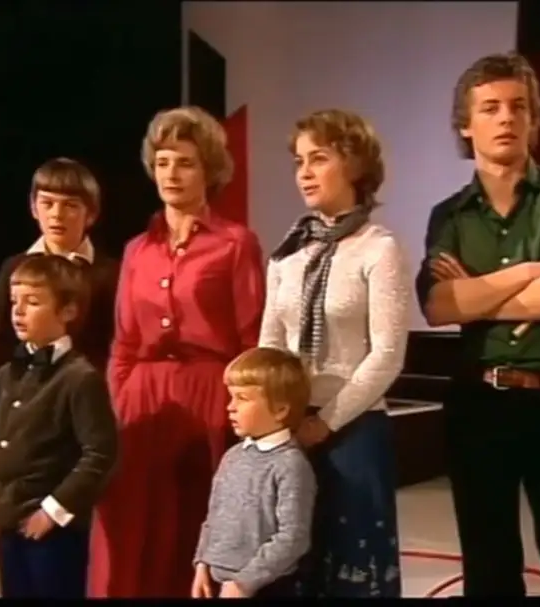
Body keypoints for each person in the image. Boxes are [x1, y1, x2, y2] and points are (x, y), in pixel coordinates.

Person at [414, 52, 540, 596]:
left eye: (518, 106)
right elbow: (438, 306)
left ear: (533, 119)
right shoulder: (449, 215)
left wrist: (477, 295)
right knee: (489, 568)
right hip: (479, 403)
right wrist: (531, 272)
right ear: (466, 124)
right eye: (490, 108)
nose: (506, 117)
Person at [89, 106, 267, 598]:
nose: (171, 173)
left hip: (209, 398)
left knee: (196, 531)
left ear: (209, 171)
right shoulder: (136, 250)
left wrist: (243, 412)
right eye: (163, 162)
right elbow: (124, 342)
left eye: (185, 162)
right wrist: (119, 403)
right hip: (142, 404)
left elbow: (251, 340)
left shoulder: (235, 243)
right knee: (132, 532)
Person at [259, 109, 410, 597]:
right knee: (294, 565)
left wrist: (325, 422)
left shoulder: (379, 248)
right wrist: (272, 415)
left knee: (353, 568)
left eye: (318, 158)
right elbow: (270, 346)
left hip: (355, 430)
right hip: (289, 427)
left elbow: (387, 354)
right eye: (299, 161)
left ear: (355, 165)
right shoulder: (288, 253)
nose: (304, 172)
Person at [0, 254, 119, 598]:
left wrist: (54, 511)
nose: (19, 312)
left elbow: (100, 453)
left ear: (67, 311)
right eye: (14, 302)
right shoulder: (9, 373)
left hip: (53, 527)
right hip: (7, 517)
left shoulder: (79, 378)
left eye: (33, 302)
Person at [192, 347, 317, 599]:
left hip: (265, 587)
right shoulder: (232, 456)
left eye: (242, 398)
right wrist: (202, 563)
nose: (230, 407)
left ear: (280, 410)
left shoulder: (290, 465)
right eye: (231, 397)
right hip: (218, 582)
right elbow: (213, 518)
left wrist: (243, 583)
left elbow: (293, 537)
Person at [0, 157, 119, 376]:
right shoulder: (15, 266)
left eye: (70, 205)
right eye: (47, 203)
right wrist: (12, 386)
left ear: (91, 214)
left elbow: (114, 342)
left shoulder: (110, 274)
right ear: (34, 208)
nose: (57, 214)